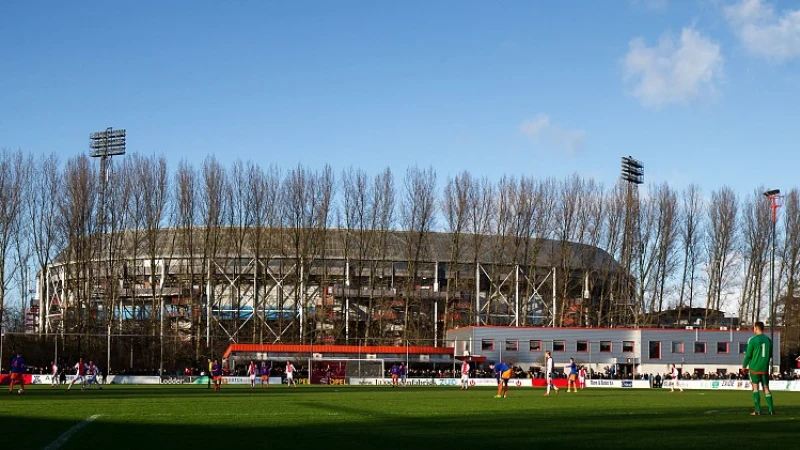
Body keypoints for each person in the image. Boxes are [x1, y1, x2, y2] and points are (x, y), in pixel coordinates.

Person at [742, 321, 774, 415]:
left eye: (754, 328)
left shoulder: (753, 340)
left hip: (754, 368)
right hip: (764, 368)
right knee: (766, 388)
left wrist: (744, 366)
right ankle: (771, 410)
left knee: (755, 388)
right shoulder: (768, 340)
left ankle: (757, 410)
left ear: (756, 328)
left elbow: (748, 355)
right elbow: (770, 355)